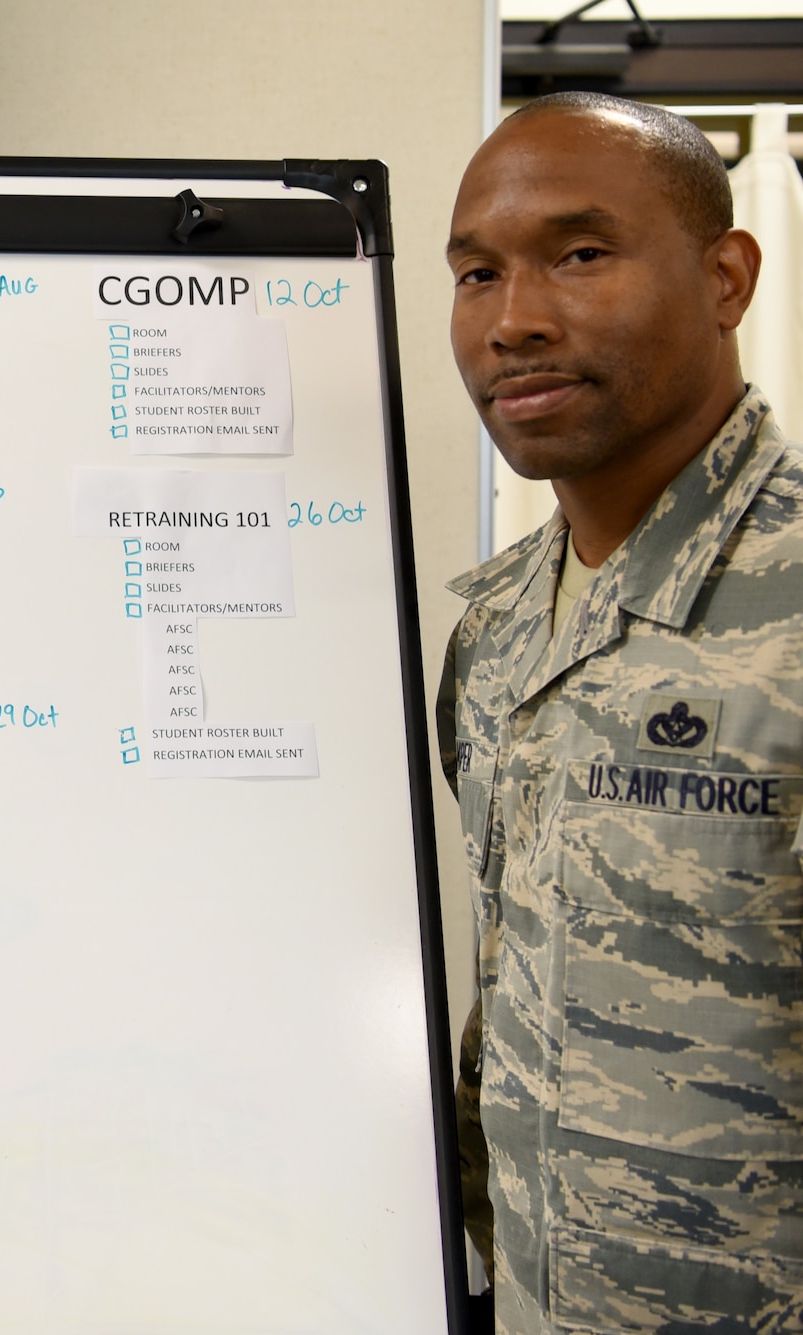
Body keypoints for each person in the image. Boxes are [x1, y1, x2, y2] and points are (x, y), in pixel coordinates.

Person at [438, 91, 801, 1332]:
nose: (513, 321)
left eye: (578, 254)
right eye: (475, 274)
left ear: (724, 278)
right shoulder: (492, 631)